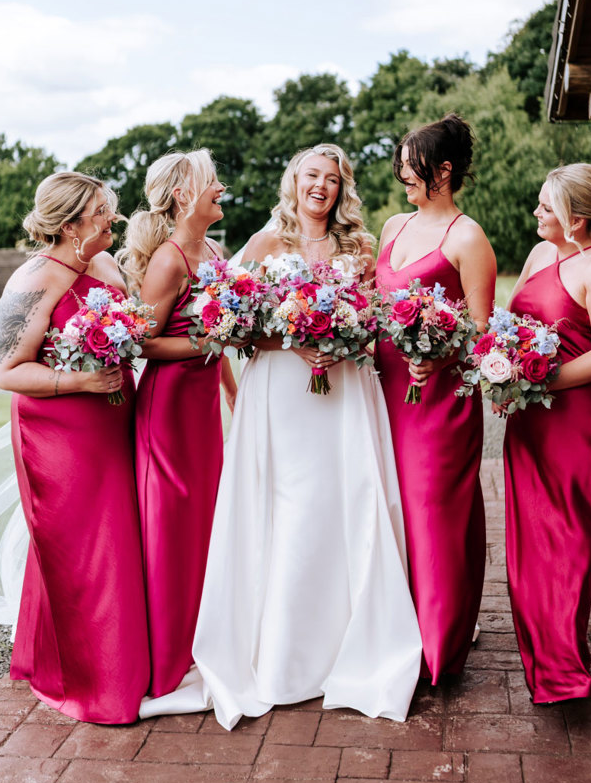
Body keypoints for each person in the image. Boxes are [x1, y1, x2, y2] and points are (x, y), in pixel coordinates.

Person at [140, 143, 422, 728]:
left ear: (343, 189)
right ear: (293, 182)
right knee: (289, 509)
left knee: (346, 502)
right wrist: (293, 340)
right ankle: (283, 657)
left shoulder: (359, 246)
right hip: (283, 394)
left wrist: (346, 334)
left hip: (344, 389)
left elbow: (371, 320)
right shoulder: (265, 244)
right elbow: (233, 325)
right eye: (310, 176)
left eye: (332, 179)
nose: (321, 187)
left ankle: (351, 646)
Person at [0, 171, 150, 723]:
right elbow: (4, 369)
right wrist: (79, 382)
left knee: (121, 537)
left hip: (112, 422)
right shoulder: (35, 279)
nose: (114, 218)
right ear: (72, 222)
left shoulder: (105, 265)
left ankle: (117, 659)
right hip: (60, 433)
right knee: (87, 548)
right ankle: (96, 680)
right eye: (104, 211)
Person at [375, 115, 496, 683]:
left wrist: (440, 357)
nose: (402, 173)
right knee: (391, 513)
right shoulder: (394, 225)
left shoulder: (468, 238)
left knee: (432, 517)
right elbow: (378, 305)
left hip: (437, 400)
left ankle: (435, 653)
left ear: (442, 171)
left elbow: (479, 328)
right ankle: (393, 631)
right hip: (382, 394)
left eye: (411, 165)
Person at [503, 163, 591, 704]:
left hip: (572, 421)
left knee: (571, 538)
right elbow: (514, 325)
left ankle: (564, 667)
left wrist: (540, 377)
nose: (536, 213)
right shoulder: (537, 256)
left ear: (575, 219)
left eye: (546, 207)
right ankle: (546, 658)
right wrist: (502, 364)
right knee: (532, 538)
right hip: (528, 422)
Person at [118, 150, 237, 699]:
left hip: (204, 409)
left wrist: (234, 392)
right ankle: (166, 662)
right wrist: (202, 345)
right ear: (185, 195)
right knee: (171, 531)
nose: (221, 188)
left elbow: (226, 332)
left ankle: (200, 640)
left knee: (204, 527)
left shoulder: (215, 249)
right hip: (167, 412)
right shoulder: (168, 261)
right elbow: (141, 341)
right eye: (211, 182)